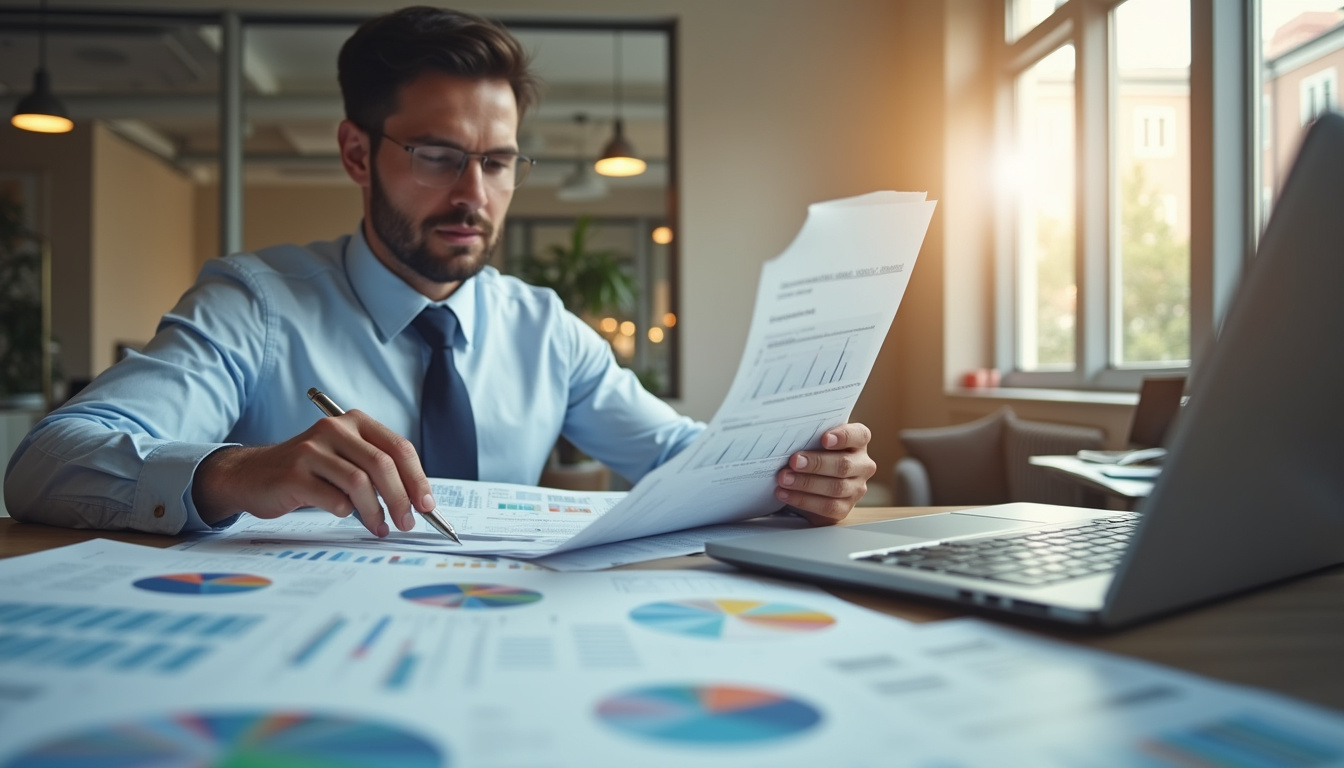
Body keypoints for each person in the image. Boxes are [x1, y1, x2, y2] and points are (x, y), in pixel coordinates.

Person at [3, 6, 876, 540]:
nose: (474, 194)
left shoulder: (545, 330)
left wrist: (794, 475)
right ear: (357, 151)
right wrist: (234, 475)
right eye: (436, 156)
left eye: (498, 163)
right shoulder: (252, 306)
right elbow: (45, 464)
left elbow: (684, 457)